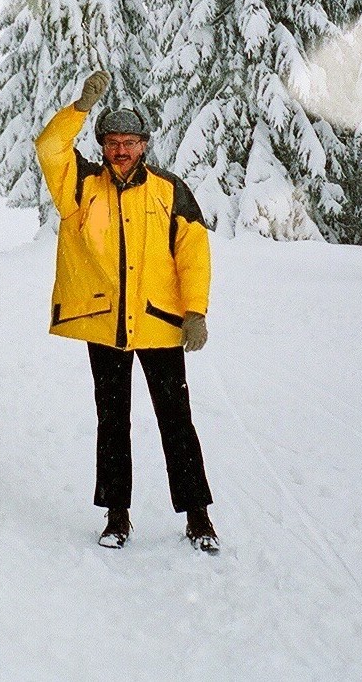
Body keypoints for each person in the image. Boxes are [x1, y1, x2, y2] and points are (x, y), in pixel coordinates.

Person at [35, 69, 219, 553]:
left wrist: (195, 311)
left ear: (144, 145)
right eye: (113, 142)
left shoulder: (170, 190)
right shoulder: (80, 186)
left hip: (160, 323)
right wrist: (79, 108)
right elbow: (50, 147)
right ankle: (117, 516)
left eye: (130, 143)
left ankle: (198, 518)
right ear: (102, 146)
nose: (121, 150)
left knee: (176, 421)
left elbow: (193, 254)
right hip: (105, 324)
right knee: (113, 422)